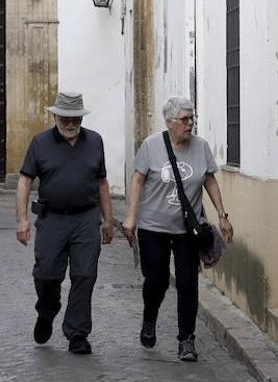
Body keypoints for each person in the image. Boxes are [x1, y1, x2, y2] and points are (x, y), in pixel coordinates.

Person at [121, 97, 235, 362]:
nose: (190, 123)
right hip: (153, 227)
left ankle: (187, 340)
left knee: (188, 282)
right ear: (170, 122)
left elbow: (209, 180)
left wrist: (222, 215)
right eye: (185, 119)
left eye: (192, 118)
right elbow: (137, 180)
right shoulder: (151, 146)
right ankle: (150, 319)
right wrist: (130, 217)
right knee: (156, 281)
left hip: (187, 229)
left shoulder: (201, 147)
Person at [15, 91, 116, 355]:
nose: (71, 124)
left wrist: (108, 220)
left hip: (86, 218)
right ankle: (47, 312)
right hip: (52, 219)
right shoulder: (40, 143)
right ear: (55, 116)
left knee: (85, 275)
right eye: (65, 118)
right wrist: (22, 220)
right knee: (46, 274)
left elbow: (102, 182)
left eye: (76, 119)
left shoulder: (95, 141)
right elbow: (25, 180)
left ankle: (77, 333)